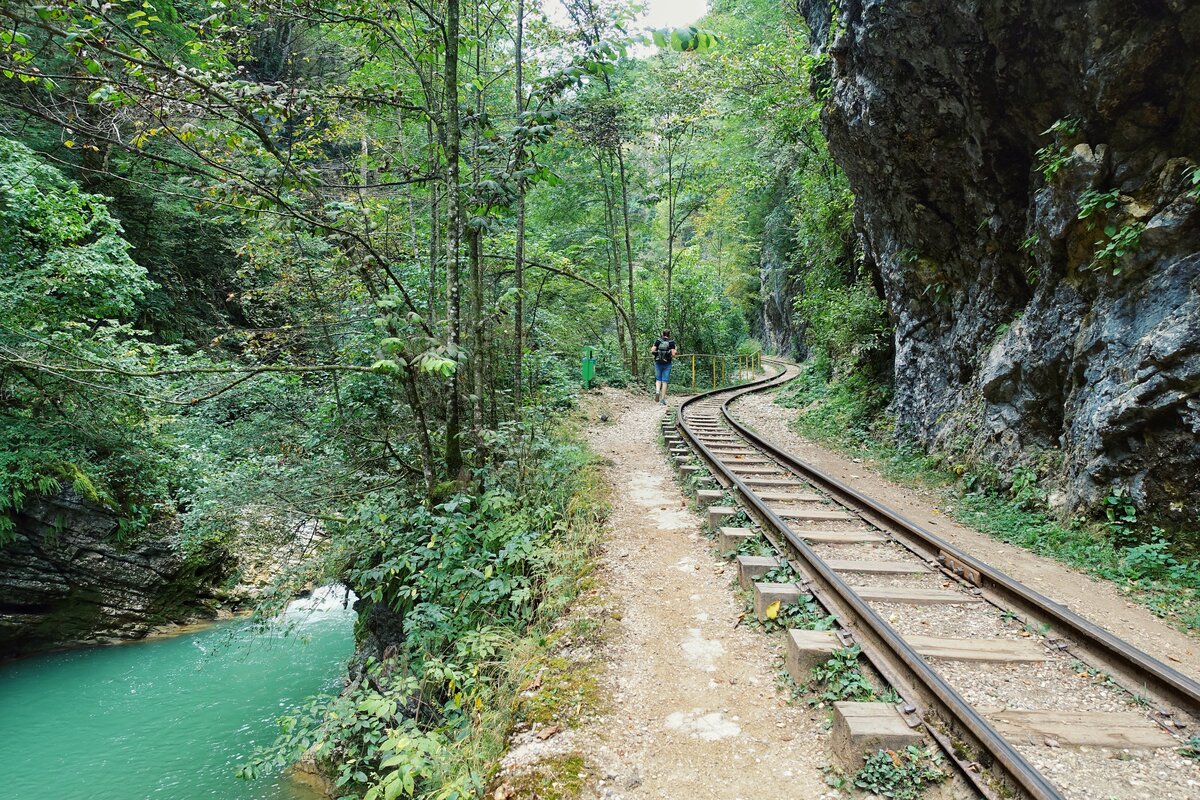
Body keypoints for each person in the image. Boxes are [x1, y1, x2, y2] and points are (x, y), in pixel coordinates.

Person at [650, 329, 677, 405]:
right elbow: (673, 354)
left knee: (658, 379)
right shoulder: (671, 342)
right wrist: (675, 350)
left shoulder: (658, 341)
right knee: (664, 381)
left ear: (662, 334)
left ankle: (657, 391)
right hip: (667, 363)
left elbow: (652, 351)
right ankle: (662, 400)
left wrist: (654, 347)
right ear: (669, 334)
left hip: (658, 362)